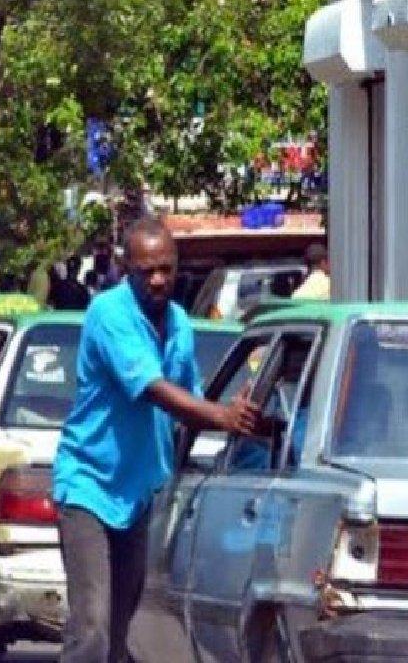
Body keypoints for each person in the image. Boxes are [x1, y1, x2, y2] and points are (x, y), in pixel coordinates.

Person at [52, 217, 259, 662]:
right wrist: (223, 416)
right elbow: (155, 389)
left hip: (139, 493)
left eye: (166, 268)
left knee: (119, 628)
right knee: (91, 628)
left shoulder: (181, 323)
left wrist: (255, 422)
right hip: (89, 486)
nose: (159, 280)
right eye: (147, 271)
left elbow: (190, 402)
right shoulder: (109, 313)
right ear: (127, 269)